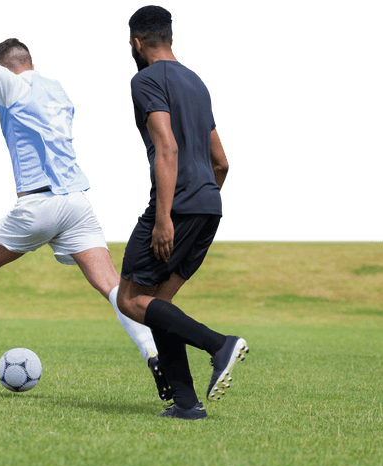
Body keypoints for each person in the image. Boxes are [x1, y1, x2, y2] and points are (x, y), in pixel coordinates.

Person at [0, 1, 167, 395]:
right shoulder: (58, 90)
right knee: (114, 289)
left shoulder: (12, 85)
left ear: (6, 67)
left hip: (38, 204)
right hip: (77, 203)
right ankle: (156, 355)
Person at [116, 5, 248, 420]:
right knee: (159, 304)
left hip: (177, 204)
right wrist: (203, 200)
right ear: (170, 37)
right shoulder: (197, 83)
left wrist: (165, 216)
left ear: (137, 41)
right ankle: (187, 403)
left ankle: (219, 344)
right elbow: (222, 162)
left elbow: (167, 147)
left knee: (130, 298)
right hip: (209, 204)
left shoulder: (145, 80)